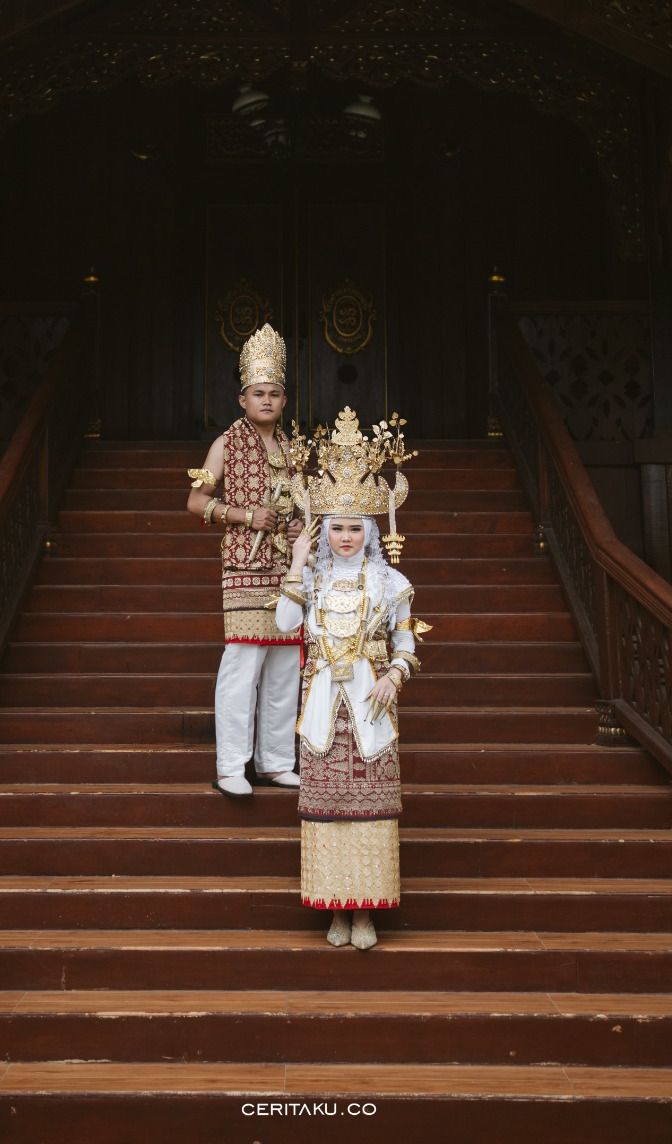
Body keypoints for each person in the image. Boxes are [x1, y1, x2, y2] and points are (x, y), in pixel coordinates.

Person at [275, 408, 426, 951]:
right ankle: (335, 910)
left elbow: (406, 643)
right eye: (336, 527)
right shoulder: (311, 579)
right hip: (321, 710)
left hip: (370, 706)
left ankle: (366, 915)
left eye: (354, 527)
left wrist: (394, 677)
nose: (344, 536)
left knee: (370, 813)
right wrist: (296, 561)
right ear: (325, 531)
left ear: (370, 531)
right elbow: (284, 624)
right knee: (327, 814)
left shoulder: (391, 582)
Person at [185, 323, 303, 799]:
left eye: (274, 393)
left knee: (285, 667)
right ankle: (232, 765)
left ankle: (276, 762)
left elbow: (302, 508)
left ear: (284, 400)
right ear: (243, 399)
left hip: (287, 570)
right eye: (258, 393)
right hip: (244, 568)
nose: (267, 401)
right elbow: (195, 500)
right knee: (243, 665)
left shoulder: (294, 449)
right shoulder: (226, 445)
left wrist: (296, 527)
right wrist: (244, 515)